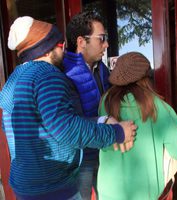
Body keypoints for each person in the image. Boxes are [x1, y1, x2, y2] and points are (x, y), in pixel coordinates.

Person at [0, 16, 136, 200]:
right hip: (52, 185)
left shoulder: (14, 79)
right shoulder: (48, 75)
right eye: (60, 44)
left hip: (26, 184)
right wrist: (117, 133)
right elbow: (66, 129)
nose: (64, 48)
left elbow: (13, 126)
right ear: (47, 49)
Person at [97, 52, 177, 200]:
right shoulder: (159, 107)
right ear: (146, 77)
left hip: (108, 192)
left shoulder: (105, 103)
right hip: (146, 194)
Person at [63, 11, 110, 199]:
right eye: (101, 38)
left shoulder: (102, 69)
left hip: (105, 153)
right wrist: (109, 122)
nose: (106, 44)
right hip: (80, 161)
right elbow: (71, 123)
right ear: (81, 41)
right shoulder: (65, 73)